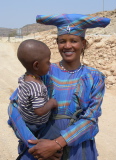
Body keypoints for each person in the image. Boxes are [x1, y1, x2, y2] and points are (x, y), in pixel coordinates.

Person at [8, 13, 110, 160]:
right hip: (40, 149)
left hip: (77, 152)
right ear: (57, 43)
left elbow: (90, 119)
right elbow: (14, 108)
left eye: (74, 41)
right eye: (62, 41)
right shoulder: (43, 71)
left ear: (84, 44)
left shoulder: (94, 77)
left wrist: (56, 144)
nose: (67, 46)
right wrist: (35, 146)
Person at [16, 39, 59, 139]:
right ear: (36, 65)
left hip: (26, 120)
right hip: (36, 125)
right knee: (55, 135)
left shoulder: (24, 78)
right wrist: (52, 103)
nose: (50, 65)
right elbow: (39, 111)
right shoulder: (36, 87)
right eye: (47, 62)